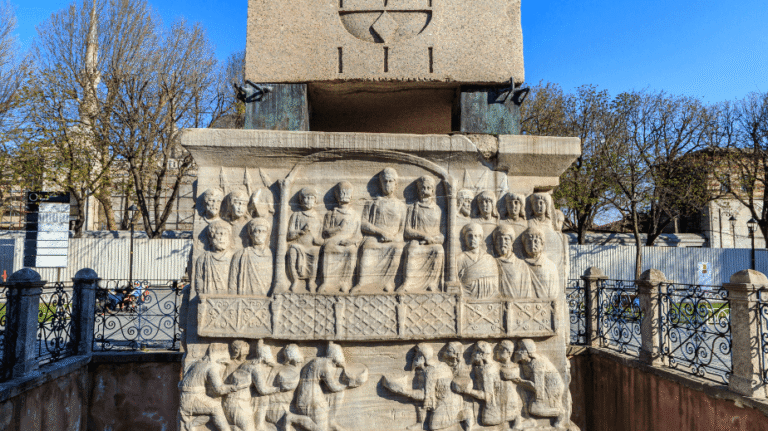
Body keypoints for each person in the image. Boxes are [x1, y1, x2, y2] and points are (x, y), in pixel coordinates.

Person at [287, 342, 364, 431]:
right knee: (320, 429)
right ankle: (292, 418)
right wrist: (348, 384)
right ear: (336, 355)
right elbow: (333, 387)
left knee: (326, 425)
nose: (342, 357)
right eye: (341, 355)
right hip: (310, 399)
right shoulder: (326, 365)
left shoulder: (317, 361)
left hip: (308, 396)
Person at [353, 168, 407, 294]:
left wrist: (394, 237)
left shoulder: (401, 206)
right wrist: (380, 232)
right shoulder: (372, 203)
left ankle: (388, 282)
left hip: (393, 239)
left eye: (390, 181)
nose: (387, 185)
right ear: (380, 184)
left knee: (397, 248)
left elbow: (402, 230)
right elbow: (364, 223)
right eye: (385, 182)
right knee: (368, 248)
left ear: (396, 184)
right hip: (374, 236)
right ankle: (362, 283)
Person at [399, 176, 444, 293]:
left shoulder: (438, 210)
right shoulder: (413, 208)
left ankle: (432, 283)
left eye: (429, 188)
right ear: (418, 190)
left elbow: (442, 233)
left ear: (433, 190)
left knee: (439, 250)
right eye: (423, 188)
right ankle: (408, 282)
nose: (425, 190)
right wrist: (423, 236)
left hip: (432, 242)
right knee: (411, 250)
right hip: (417, 241)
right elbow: (407, 230)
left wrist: (436, 239)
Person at [179, 346, 239, 431]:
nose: (224, 367)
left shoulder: (198, 363)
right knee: (216, 407)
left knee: (212, 413)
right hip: (193, 398)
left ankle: (192, 424)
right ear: (220, 361)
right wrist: (235, 387)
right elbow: (219, 389)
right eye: (224, 364)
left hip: (185, 397)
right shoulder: (213, 367)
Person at [222, 340, 278, 431]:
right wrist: (278, 389)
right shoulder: (256, 366)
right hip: (239, 403)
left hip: (234, 402)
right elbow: (263, 390)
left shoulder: (247, 363)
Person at [317, 182, 361, 294]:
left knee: (351, 251)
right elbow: (325, 232)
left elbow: (358, 235)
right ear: (337, 195)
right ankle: (325, 282)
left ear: (351, 195)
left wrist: (350, 241)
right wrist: (338, 228)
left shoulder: (355, 214)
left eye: (347, 192)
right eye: (342, 192)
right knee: (327, 248)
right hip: (333, 240)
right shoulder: (331, 214)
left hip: (348, 242)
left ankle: (345, 282)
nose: (345, 194)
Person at [513, 339, 567, 428]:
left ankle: (559, 414)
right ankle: (528, 418)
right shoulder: (526, 362)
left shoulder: (537, 363)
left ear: (528, 352)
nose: (517, 351)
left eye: (521, 349)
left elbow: (538, 387)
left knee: (534, 409)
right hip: (541, 386)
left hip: (551, 389)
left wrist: (520, 381)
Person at [286, 187, 324, 292]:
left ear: (315, 200)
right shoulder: (296, 215)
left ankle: (311, 281)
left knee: (316, 252)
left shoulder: (319, 218)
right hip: (299, 246)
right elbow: (289, 235)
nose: (308, 201)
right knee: (292, 251)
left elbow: (322, 239)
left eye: (311, 198)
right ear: (301, 200)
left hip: (312, 247)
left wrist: (317, 240)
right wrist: (300, 232)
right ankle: (295, 281)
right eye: (305, 198)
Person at [229, 218, 273, 295]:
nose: (260, 234)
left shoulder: (272, 255)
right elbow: (233, 284)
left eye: (263, 231)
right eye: (257, 231)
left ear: (267, 234)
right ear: (251, 233)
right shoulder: (240, 255)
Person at [265, 344, 304, 427]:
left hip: (281, 406)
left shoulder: (280, 368)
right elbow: (286, 385)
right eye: (299, 360)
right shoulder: (287, 370)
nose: (300, 362)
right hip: (278, 409)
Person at [457, 223, 499, 299]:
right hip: (467, 298)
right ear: (465, 239)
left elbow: (495, 285)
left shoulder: (489, 259)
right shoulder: (460, 258)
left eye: (476, 236)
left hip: (489, 299)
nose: (473, 239)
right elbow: (456, 282)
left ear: (480, 239)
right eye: (470, 236)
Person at [195, 220, 234, 294]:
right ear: (211, 236)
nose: (221, 238)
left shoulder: (233, 257)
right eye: (219, 233)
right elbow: (198, 280)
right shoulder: (203, 258)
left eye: (225, 234)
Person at [494, 224, 533, 298]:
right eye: (499, 239)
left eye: (506, 239)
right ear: (495, 243)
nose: (503, 242)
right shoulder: (492, 263)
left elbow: (527, 294)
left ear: (512, 242)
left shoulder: (522, 266)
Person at [521, 227, 559, 298]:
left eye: (536, 241)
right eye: (529, 241)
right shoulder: (520, 265)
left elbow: (554, 294)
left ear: (542, 244)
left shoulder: (550, 267)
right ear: (524, 244)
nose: (532, 244)